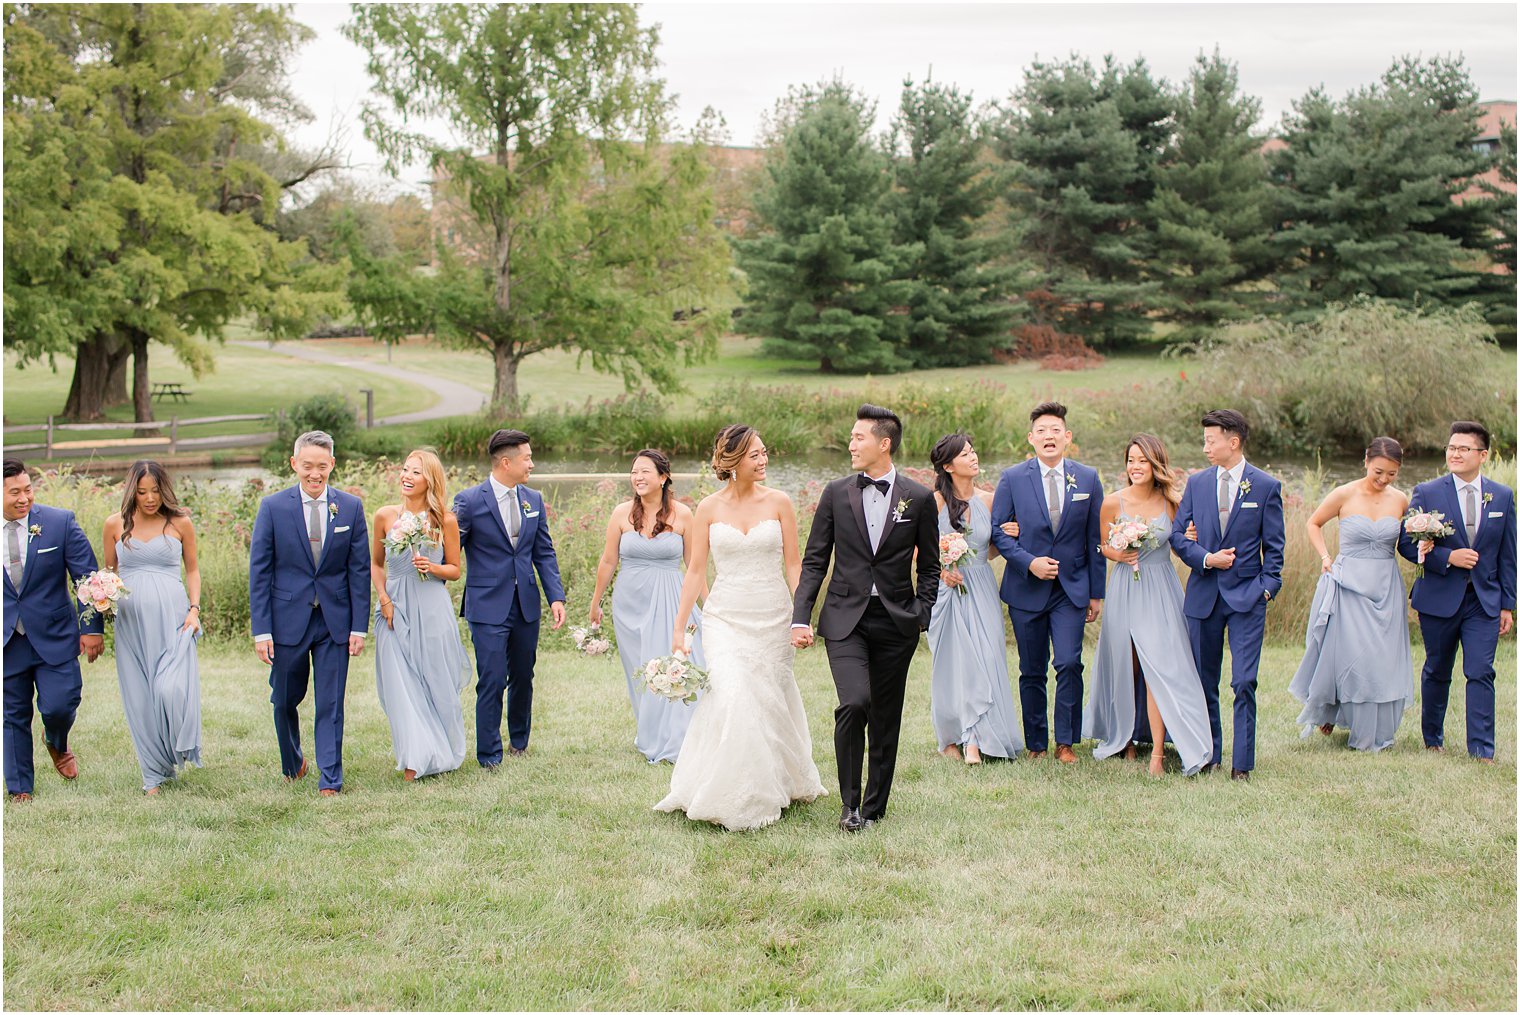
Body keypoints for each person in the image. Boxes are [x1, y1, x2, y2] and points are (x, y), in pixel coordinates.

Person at [656, 424, 825, 830]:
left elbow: (793, 564)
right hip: (724, 618)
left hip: (773, 616)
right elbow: (696, 570)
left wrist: (802, 616)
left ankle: (779, 779)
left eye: (765, 453)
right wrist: (681, 628)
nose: (763, 460)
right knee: (733, 695)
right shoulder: (709, 509)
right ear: (731, 461)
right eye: (755, 455)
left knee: (769, 698)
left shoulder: (781, 502)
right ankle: (732, 792)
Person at [792, 405, 940, 832]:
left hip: (897, 621)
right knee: (854, 702)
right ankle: (849, 806)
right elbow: (815, 561)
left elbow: (930, 565)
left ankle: (874, 808)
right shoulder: (836, 492)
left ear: (884, 443)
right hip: (844, 618)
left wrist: (921, 613)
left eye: (859, 438)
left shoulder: (919, 497)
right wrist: (800, 616)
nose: (851, 445)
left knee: (886, 716)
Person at [1080, 435, 1213, 776]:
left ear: (1157, 465)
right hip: (1126, 586)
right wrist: (1118, 552)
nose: (1136, 467)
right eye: (1131, 460)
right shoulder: (1112, 502)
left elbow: (1183, 540)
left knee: (1159, 668)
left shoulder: (1173, 502)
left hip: (1161, 587)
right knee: (1127, 664)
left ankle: (1156, 751)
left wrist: (1192, 538)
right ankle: (1123, 738)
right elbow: (1102, 546)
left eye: (1143, 461)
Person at [248, 430, 371, 796]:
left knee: (331, 702)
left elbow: (359, 570)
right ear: (294, 465)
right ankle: (293, 761)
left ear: (332, 464)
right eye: (307, 466)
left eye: (322, 466)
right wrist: (262, 630)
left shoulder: (350, 507)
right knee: (285, 697)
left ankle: (330, 778)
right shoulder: (273, 508)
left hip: (334, 620)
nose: (314, 474)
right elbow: (260, 571)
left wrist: (358, 628)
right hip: (287, 620)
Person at [1170, 409, 1285, 781]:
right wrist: (1205, 558)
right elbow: (1176, 537)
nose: (1205, 446)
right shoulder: (1198, 483)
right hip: (1203, 597)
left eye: (1210, 439)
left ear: (1232, 442)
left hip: (1247, 599)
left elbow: (1276, 550)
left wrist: (1266, 590)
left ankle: (1242, 764)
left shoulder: (1265, 486)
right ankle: (1209, 754)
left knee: (1244, 681)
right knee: (1205, 681)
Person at [988, 401, 1105, 764]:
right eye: (1042, 431)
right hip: (1026, 589)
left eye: (1055, 430)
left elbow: (1094, 540)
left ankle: (1066, 742)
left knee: (1069, 662)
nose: (1049, 436)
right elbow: (999, 533)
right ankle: (1037, 743)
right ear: (1031, 438)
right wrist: (1030, 562)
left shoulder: (1087, 478)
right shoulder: (1012, 478)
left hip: (1071, 589)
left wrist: (1096, 593)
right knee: (1031, 668)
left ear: (1067, 437)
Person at [1397, 421, 1516, 762]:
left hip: (1484, 601)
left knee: (1480, 671)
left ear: (1483, 455)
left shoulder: (1503, 496)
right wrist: (1448, 557)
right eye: (1451, 447)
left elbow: (1508, 556)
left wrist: (1507, 605)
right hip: (1438, 597)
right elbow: (1406, 543)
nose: (1455, 453)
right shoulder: (1427, 492)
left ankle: (1481, 749)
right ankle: (1432, 738)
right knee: (1437, 668)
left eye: (1464, 448)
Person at [1287, 438, 1413, 752]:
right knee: (1351, 657)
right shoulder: (1344, 493)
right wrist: (1325, 557)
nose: (1384, 479)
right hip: (1348, 583)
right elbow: (1313, 523)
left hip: (1385, 586)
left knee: (1381, 659)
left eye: (1392, 474)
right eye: (1379, 472)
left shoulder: (1400, 500)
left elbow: (1409, 542)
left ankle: (1375, 730)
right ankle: (1335, 710)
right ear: (1366, 461)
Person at [452, 429, 565, 766]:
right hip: (486, 606)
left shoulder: (533, 499)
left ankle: (519, 741)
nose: (531, 463)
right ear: (506, 462)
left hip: (526, 604)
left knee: (523, 674)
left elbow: (543, 552)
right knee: (491, 677)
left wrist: (555, 597)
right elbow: (450, 549)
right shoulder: (469, 501)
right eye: (527, 458)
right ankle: (488, 754)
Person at [589, 449, 705, 764]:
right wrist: (596, 601)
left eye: (645, 472)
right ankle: (649, 733)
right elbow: (608, 560)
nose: (638, 478)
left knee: (669, 664)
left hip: (670, 599)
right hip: (628, 605)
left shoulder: (683, 514)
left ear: (663, 477)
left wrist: (709, 607)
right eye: (634, 472)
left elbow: (694, 565)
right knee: (640, 671)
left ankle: (676, 737)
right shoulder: (621, 513)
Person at [3, 459, 105, 802]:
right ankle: (20, 789)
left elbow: (87, 577)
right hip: (7, 640)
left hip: (55, 635)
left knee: (60, 704)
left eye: (27, 489)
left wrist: (91, 628)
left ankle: (56, 740)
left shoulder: (59, 523)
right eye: (14, 491)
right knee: (12, 714)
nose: (24, 498)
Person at [102, 461, 203, 794]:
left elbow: (192, 570)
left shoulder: (180, 523)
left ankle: (173, 750)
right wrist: (100, 597)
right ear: (132, 490)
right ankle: (153, 776)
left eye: (156, 491)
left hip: (173, 617)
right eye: (143, 491)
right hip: (131, 623)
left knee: (169, 689)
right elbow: (108, 575)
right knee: (140, 696)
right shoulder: (115, 525)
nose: (149, 498)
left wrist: (194, 609)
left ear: (165, 490)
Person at [370, 448, 469, 781]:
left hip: (431, 606)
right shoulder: (384, 515)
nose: (406, 477)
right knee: (401, 683)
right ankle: (416, 756)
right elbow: (376, 563)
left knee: (435, 680)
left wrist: (433, 565)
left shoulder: (445, 520)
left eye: (416, 472)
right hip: (394, 607)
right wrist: (383, 597)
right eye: (404, 470)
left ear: (430, 480)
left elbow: (455, 570)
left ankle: (445, 750)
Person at [925, 433, 1022, 765]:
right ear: (949, 466)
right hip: (947, 591)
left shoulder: (991, 500)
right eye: (966, 454)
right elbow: (916, 551)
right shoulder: (934, 502)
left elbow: (990, 550)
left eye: (974, 451)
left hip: (980, 586)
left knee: (987, 655)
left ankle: (979, 737)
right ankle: (953, 737)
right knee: (952, 663)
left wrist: (1007, 537)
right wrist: (942, 570)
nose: (974, 457)